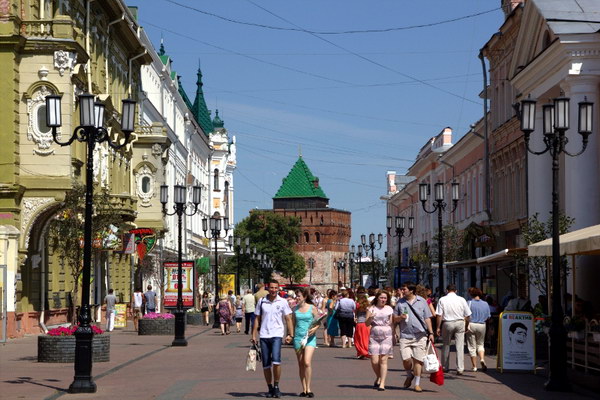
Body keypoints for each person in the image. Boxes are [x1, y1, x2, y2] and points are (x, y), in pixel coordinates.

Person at [252, 280, 294, 399]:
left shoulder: (282, 302)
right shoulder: (262, 301)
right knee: (266, 364)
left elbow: (288, 318)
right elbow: (257, 319)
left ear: (278, 289)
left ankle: (276, 385)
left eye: (276, 288)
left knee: (276, 361)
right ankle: (269, 387)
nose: (273, 290)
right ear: (267, 288)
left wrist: (290, 334)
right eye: (271, 288)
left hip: (277, 334)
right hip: (264, 335)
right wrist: (253, 335)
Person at [394, 282, 435, 393]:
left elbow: (427, 318)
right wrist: (399, 318)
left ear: (411, 290)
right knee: (406, 359)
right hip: (405, 335)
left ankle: (417, 384)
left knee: (418, 361)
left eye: (404, 289)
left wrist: (431, 333)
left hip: (420, 336)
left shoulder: (422, 301)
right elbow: (394, 319)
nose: (402, 291)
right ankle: (409, 375)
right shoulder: (400, 303)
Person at [436, 284, 472, 375]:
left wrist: (438, 327)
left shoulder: (442, 299)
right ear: (456, 291)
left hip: (447, 322)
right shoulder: (462, 299)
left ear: (446, 290)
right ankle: (460, 368)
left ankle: (445, 366)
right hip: (460, 322)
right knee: (459, 346)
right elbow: (468, 315)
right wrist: (467, 325)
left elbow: (439, 315)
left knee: (446, 345)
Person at [292, 288, 320, 398]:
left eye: (298, 296)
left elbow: (319, 321)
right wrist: (291, 336)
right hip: (298, 339)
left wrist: (315, 329)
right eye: (296, 296)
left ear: (304, 296)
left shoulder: (312, 308)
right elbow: (293, 325)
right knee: (301, 364)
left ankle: (309, 388)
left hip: (310, 338)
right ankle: (303, 389)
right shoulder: (295, 309)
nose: (297, 298)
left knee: (307, 362)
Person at [366, 290, 394, 391]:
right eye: (381, 297)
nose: (383, 300)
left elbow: (391, 323)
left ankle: (382, 383)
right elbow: (367, 323)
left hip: (387, 335)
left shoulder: (389, 309)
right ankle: (379, 376)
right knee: (374, 361)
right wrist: (371, 318)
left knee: (383, 360)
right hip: (374, 335)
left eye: (385, 298)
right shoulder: (371, 308)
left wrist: (394, 335)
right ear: (377, 298)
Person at [466, 287, 491, 372]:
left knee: (472, 346)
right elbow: (488, 316)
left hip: (471, 324)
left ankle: (474, 366)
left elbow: (466, 315)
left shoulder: (469, 303)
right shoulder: (485, 304)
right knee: (480, 344)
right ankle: (482, 359)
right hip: (482, 325)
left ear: (471, 294)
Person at [354, 294, 370, 359]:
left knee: (358, 339)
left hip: (359, 323)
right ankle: (366, 351)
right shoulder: (368, 306)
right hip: (366, 324)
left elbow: (355, 314)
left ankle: (361, 352)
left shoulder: (357, 306)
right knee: (366, 339)